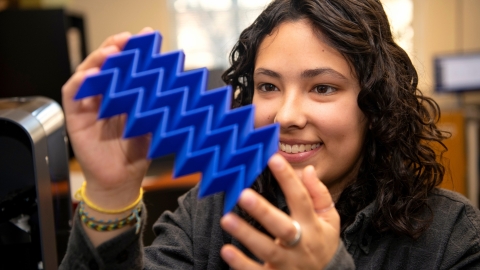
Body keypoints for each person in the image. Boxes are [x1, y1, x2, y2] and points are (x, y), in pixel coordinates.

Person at [59, 0, 480, 269]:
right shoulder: (210, 212)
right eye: (269, 86)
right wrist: (111, 196)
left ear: (375, 103)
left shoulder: (450, 236)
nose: (285, 115)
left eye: (323, 87)